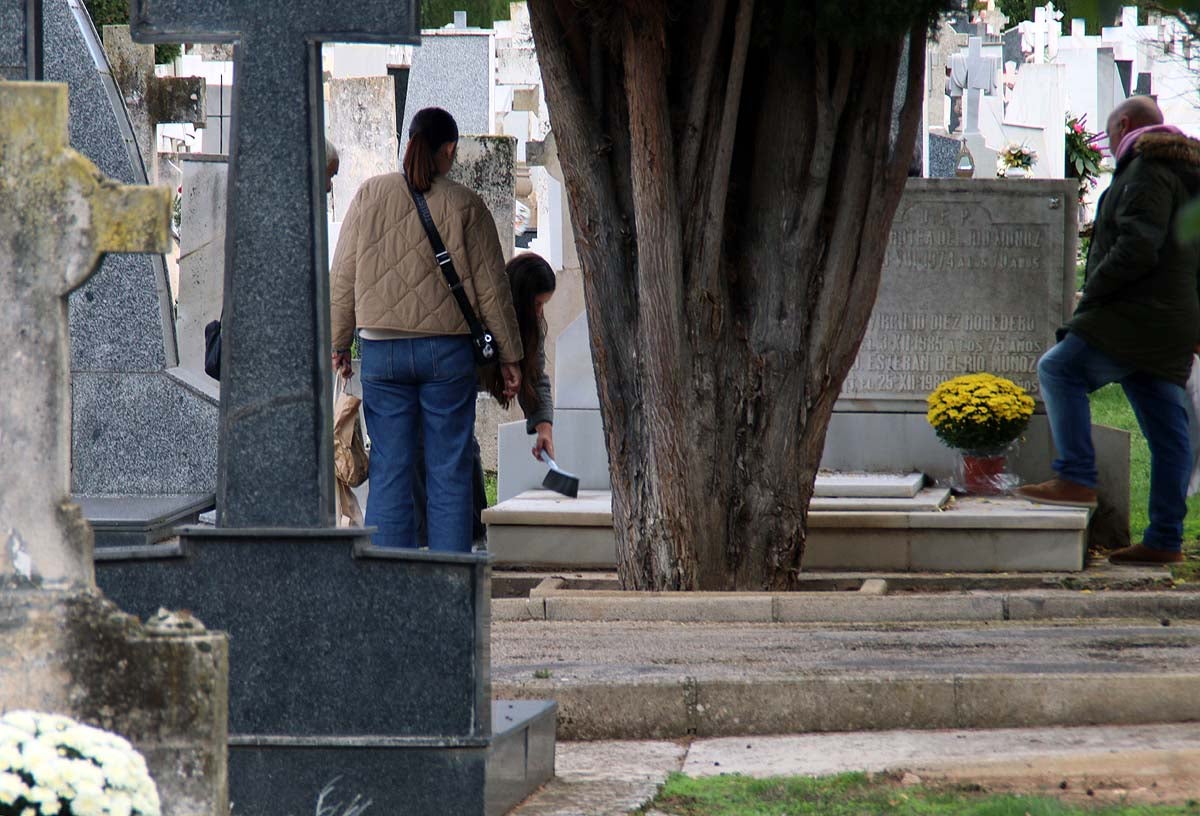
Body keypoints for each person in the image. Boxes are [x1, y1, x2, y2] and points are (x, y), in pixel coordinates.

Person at [1015, 96, 1200, 566]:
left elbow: (1138, 246)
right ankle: (1163, 538)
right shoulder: (1183, 174)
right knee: (1167, 432)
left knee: (1059, 370)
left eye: (1109, 132)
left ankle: (1076, 475)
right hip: (1170, 320)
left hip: (1131, 315)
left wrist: (1091, 290)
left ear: (1123, 125)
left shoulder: (1146, 170)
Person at [329, 107, 523, 552]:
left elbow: (343, 277)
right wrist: (510, 356)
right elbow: (493, 290)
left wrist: (340, 342)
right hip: (446, 353)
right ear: (448, 149)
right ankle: (450, 580)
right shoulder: (465, 205)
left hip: (382, 351)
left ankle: (391, 581)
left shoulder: (369, 196)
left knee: (391, 469)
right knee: (449, 468)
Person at [412, 253, 558, 547]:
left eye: (544, 305)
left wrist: (544, 427)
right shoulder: (476, 310)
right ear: (517, 299)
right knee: (432, 458)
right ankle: (428, 547)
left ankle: (471, 541)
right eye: (537, 304)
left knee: (465, 454)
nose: (541, 313)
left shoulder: (529, 328)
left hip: (456, 397)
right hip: (433, 387)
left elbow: (535, 375)